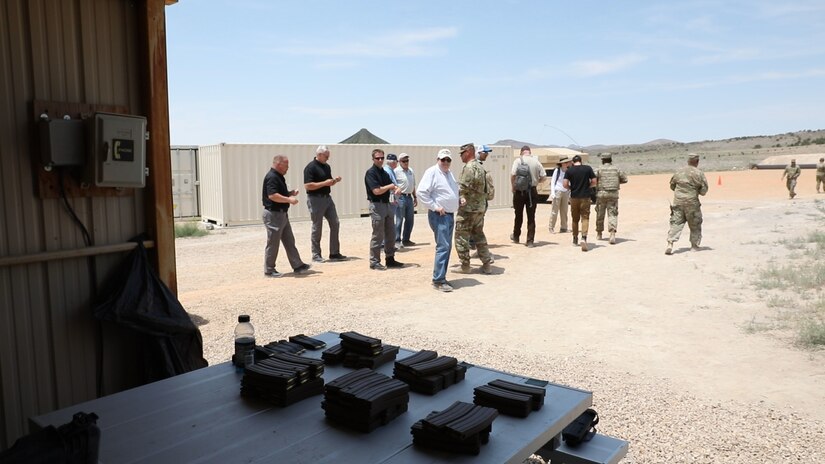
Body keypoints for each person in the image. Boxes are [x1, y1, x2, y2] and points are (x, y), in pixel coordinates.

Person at [416, 149, 460, 292]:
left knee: (446, 247)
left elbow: (451, 191)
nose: (446, 162)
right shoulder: (432, 172)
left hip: (449, 215)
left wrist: (459, 200)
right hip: (440, 216)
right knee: (443, 246)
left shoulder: (449, 174)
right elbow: (421, 192)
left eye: (448, 160)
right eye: (443, 160)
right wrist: (435, 207)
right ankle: (438, 280)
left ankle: (442, 277)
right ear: (438, 160)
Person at [261, 155, 311, 277]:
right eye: (286, 165)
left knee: (289, 240)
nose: (288, 168)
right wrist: (289, 199)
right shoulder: (272, 177)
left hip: (281, 214)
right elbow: (272, 195)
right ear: (279, 164)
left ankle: (298, 265)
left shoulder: (279, 177)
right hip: (273, 214)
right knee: (273, 243)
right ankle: (269, 270)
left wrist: (290, 193)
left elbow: (278, 193)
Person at [454, 143, 493, 275]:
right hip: (480, 208)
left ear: (469, 152)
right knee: (479, 234)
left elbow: (462, 188)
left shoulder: (469, 168)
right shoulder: (480, 168)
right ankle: (486, 264)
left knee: (461, 236)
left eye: (462, 153)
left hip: (468, 209)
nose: (461, 156)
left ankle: (465, 265)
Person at [303, 145, 347, 263]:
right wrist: (324, 183)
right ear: (319, 155)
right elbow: (308, 185)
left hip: (327, 198)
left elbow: (328, 182)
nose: (328, 158)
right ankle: (316, 255)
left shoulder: (327, 167)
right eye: (326, 156)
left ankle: (334, 253)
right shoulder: (310, 167)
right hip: (315, 199)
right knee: (317, 226)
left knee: (335, 223)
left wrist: (334, 181)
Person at [365, 149, 404, 270]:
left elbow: (393, 185)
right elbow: (376, 191)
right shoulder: (370, 173)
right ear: (373, 159)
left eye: (382, 158)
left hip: (387, 204)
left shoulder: (383, 172)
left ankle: (390, 258)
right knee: (378, 235)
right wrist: (391, 186)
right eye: (378, 158)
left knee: (390, 233)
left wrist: (396, 188)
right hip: (377, 205)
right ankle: (374, 261)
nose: (380, 160)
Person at [666, 153, 709, 255]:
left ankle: (670, 243)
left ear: (688, 161)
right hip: (692, 203)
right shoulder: (699, 173)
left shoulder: (678, 171)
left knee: (676, 223)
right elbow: (704, 191)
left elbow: (672, 186)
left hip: (678, 202)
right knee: (695, 224)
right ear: (697, 162)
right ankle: (694, 246)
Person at [510, 145, 546, 247]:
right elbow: (543, 177)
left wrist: (513, 187)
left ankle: (516, 236)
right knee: (531, 216)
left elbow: (513, 175)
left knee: (518, 214)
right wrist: (536, 182)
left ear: (521, 152)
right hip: (532, 192)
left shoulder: (517, 161)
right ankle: (530, 241)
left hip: (519, 191)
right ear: (530, 152)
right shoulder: (536, 162)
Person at [563, 154, 597, 252]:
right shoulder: (587, 169)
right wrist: (588, 187)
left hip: (574, 197)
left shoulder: (569, 170)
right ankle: (584, 237)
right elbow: (594, 181)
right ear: (581, 161)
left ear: (573, 162)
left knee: (575, 218)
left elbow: (565, 184)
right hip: (585, 196)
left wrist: (571, 188)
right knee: (585, 217)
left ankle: (574, 239)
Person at [594, 153, 628, 245]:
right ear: (610, 159)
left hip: (601, 194)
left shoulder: (598, 169)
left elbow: (593, 179)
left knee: (600, 214)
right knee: (612, 214)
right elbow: (625, 179)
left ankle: (599, 233)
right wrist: (616, 181)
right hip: (613, 194)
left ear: (602, 160)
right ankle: (612, 233)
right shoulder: (617, 169)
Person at [394, 153, 417, 246]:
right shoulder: (396, 171)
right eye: (404, 161)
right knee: (399, 219)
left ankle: (406, 239)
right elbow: (393, 184)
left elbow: (413, 185)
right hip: (401, 197)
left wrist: (415, 197)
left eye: (407, 160)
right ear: (399, 162)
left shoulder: (410, 171)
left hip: (409, 197)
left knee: (410, 219)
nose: (406, 162)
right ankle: (397, 240)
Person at [548, 156, 571, 234]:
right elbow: (553, 181)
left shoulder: (568, 171)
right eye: (565, 162)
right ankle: (551, 227)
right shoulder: (557, 171)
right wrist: (553, 193)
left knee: (564, 211)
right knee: (555, 210)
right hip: (558, 191)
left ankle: (564, 227)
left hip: (565, 192)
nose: (567, 163)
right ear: (562, 163)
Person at [384, 154, 400, 246]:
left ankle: (388, 243)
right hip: (390, 200)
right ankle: (385, 244)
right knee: (388, 223)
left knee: (390, 222)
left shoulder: (390, 171)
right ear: (393, 162)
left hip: (392, 199)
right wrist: (397, 188)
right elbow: (391, 185)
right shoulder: (387, 171)